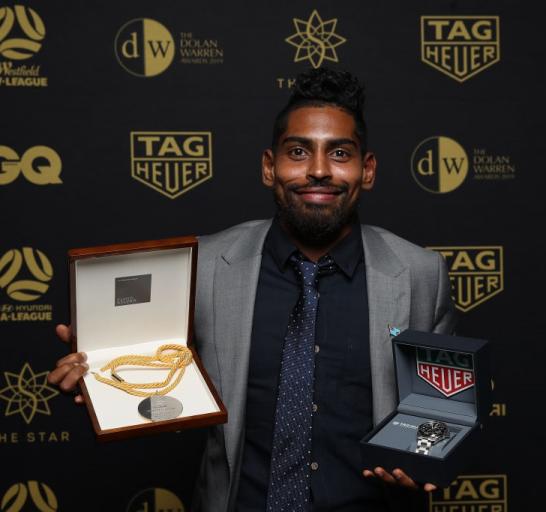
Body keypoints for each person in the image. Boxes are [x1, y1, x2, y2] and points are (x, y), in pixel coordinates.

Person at [48, 68, 456, 511]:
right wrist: (106, 378)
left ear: (367, 170)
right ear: (269, 167)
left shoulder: (420, 273)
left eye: (340, 153)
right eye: (298, 152)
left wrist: (428, 457)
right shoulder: (204, 267)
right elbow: (171, 399)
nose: (318, 170)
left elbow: (440, 408)